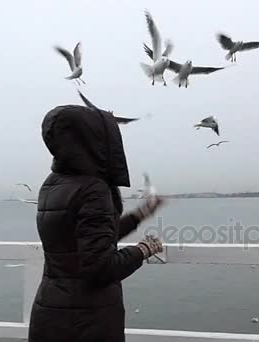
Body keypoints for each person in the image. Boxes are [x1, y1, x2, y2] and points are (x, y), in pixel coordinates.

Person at [28, 104, 164, 342]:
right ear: (93, 141)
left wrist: (139, 215)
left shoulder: (52, 184)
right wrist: (143, 250)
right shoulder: (93, 189)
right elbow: (100, 268)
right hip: (85, 322)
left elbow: (82, 240)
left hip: (50, 313)